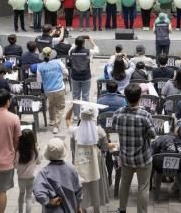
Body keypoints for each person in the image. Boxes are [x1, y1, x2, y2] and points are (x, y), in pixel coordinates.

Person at [112, 83, 156, 213]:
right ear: (140, 97)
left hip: (125, 157)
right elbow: (153, 134)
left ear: (125, 97)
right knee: (143, 187)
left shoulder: (118, 113)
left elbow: (115, 128)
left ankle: (122, 209)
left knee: (125, 183)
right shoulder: (145, 115)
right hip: (143, 158)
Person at [66, 105, 111, 212]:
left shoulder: (75, 131)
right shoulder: (99, 131)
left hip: (80, 163)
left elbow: (72, 148)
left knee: (82, 188)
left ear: (81, 116)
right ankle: (96, 210)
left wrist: (72, 106)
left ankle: (83, 209)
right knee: (96, 186)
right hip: (96, 164)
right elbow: (105, 147)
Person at [33, 138, 82, 212]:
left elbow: (37, 192)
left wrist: (49, 201)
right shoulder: (72, 169)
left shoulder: (44, 173)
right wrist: (78, 207)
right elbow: (79, 192)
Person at [35, 47, 68, 134]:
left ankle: (52, 120)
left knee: (51, 104)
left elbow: (39, 81)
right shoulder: (58, 62)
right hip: (59, 88)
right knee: (60, 107)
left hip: (48, 90)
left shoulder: (40, 66)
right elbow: (66, 73)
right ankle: (56, 126)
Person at [69, 36, 99, 118]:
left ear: (75, 43)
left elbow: (73, 46)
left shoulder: (71, 51)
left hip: (75, 76)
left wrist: (77, 43)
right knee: (85, 96)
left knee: (75, 96)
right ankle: (85, 114)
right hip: (86, 76)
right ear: (83, 43)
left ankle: (76, 115)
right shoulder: (88, 51)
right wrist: (92, 41)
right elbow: (97, 51)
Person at [15, 129, 40, 213]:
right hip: (31, 177)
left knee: (21, 194)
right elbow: (38, 162)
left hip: (21, 177)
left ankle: (20, 211)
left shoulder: (18, 152)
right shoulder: (34, 151)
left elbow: (15, 165)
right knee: (29, 197)